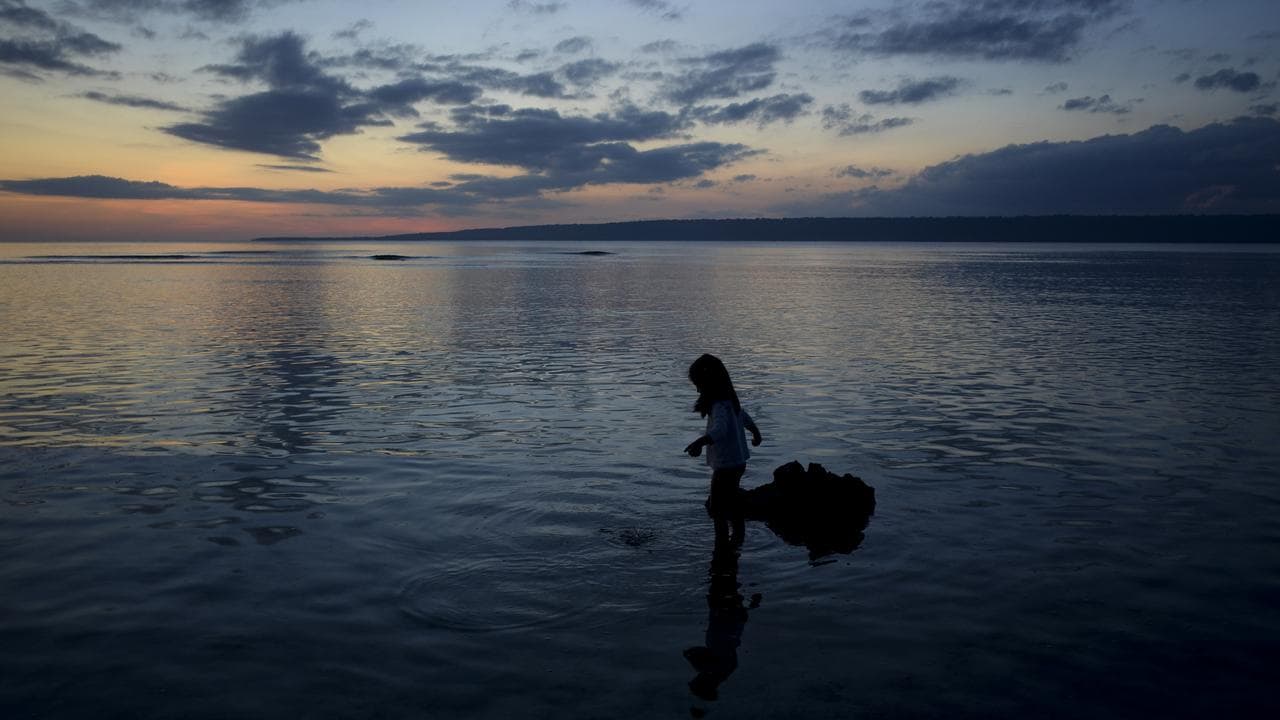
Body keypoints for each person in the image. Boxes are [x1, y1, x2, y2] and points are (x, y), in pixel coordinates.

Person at [684, 353, 762, 546]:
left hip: (726, 466)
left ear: (709, 382)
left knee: (717, 508)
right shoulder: (730, 401)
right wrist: (756, 433)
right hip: (738, 463)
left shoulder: (719, 405)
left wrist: (700, 442)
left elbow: (720, 430)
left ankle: (722, 547)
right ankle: (737, 543)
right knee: (733, 504)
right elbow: (744, 417)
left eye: (698, 385)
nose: (697, 390)